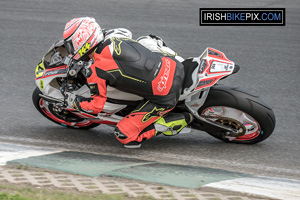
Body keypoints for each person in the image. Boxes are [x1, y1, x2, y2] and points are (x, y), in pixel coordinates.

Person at [63, 17, 193, 148]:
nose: (70, 51)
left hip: (166, 94)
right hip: (173, 64)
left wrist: (73, 101)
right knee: (145, 40)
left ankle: (178, 120)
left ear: (82, 42)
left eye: (71, 45)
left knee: (124, 135)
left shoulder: (95, 71)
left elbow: (96, 106)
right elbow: (126, 32)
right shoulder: (114, 36)